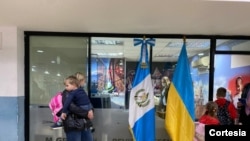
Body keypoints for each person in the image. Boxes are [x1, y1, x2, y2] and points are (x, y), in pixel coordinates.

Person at [61, 73, 94, 141]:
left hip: (84, 124)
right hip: (73, 124)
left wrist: (91, 110)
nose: (84, 82)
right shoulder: (67, 92)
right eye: (84, 81)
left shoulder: (81, 91)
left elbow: (87, 103)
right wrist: (87, 113)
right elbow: (71, 107)